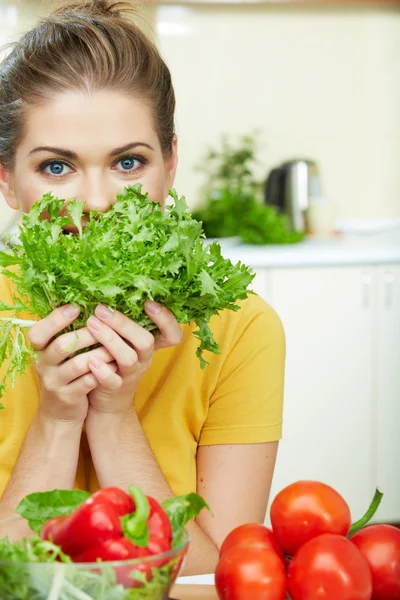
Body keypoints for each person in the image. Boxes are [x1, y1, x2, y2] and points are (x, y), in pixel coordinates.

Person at [0, 0, 285, 575]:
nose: (98, 201)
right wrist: (57, 417)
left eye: (128, 162)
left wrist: (112, 415)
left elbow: (213, 576)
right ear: (7, 180)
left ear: (170, 164)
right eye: (57, 167)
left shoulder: (241, 328)